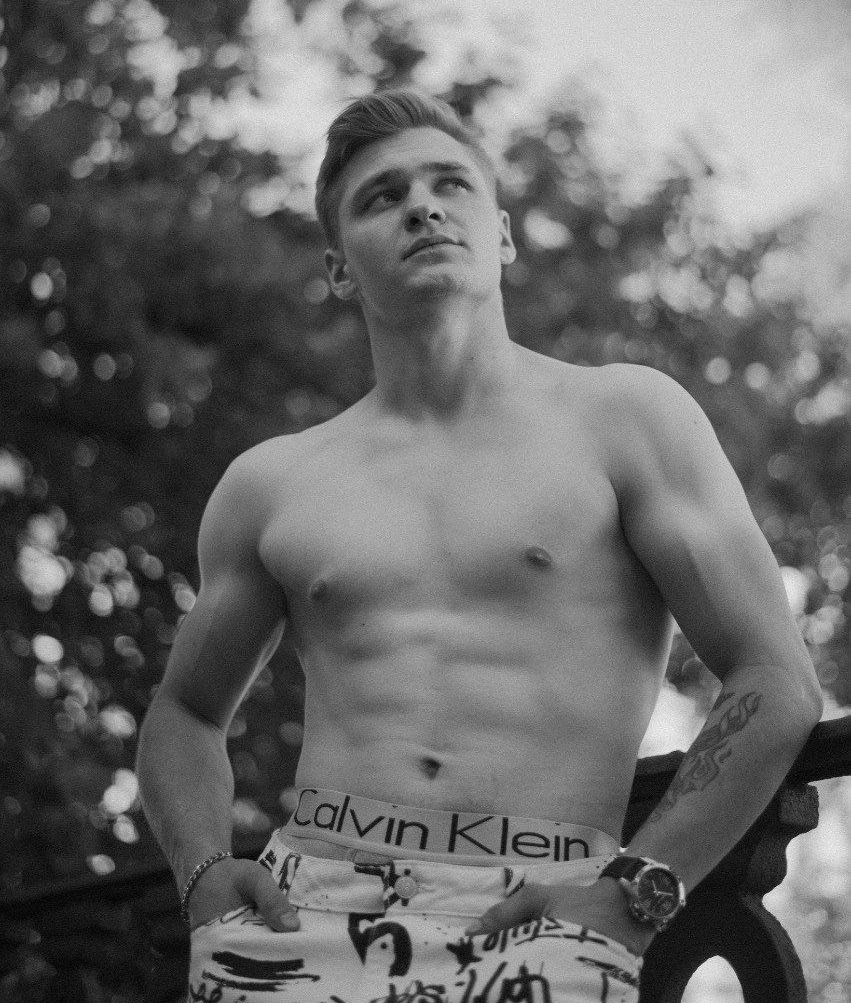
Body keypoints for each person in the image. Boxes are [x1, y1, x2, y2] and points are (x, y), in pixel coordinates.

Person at [136, 89, 822, 1003]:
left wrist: (636, 889)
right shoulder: (273, 482)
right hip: (299, 917)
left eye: (449, 183)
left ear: (499, 233)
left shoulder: (625, 417)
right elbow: (183, 712)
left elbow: (774, 678)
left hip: (545, 911)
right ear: (339, 269)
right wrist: (202, 875)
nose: (421, 206)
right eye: (382, 196)